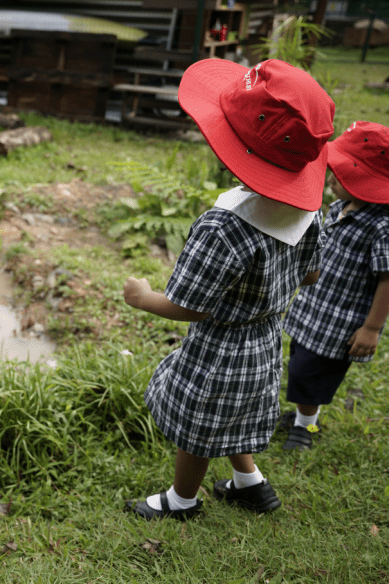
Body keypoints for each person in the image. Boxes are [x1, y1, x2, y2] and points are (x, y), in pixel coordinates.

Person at [121, 59, 334, 520]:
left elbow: (190, 307)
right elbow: (312, 275)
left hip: (217, 349)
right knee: (233, 413)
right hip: (263, 342)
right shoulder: (308, 213)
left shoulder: (225, 228)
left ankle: (182, 501)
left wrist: (141, 297)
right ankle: (249, 483)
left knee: (198, 427)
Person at [280, 122, 389, 450]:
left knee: (312, 374)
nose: (331, 179)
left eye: (338, 174)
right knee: (299, 366)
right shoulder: (339, 208)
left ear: (362, 179)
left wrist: (371, 328)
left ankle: (305, 426)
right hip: (313, 308)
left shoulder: (384, 229)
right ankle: (302, 414)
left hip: (339, 323)